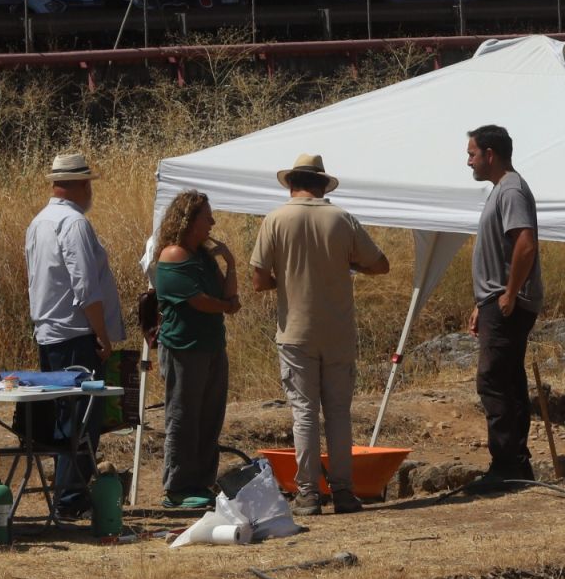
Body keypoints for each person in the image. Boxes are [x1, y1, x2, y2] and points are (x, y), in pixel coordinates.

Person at [251, 153, 389, 516]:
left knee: (305, 413)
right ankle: (343, 491)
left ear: (292, 185)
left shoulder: (276, 219)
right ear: (322, 185)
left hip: (296, 331)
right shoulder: (342, 219)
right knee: (339, 413)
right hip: (338, 331)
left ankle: (308, 494)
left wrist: (287, 280)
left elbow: (258, 279)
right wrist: (350, 265)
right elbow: (381, 265)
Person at [24, 151, 124, 521]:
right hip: (76, 334)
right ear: (82, 185)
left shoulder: (39, 222)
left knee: (67, 417)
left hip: (51, 333)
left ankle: (69, 495)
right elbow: (86, 286)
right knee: (82, 420)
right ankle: (70, 499)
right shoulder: (74, 223)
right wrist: (101, 334)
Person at [464, 124, 542, 495]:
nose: (469, 162)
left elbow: (525, 243)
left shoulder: (510, 189)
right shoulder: (503, 189)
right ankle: (517, 464)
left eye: (472, 154)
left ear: (490, 154)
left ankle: (506, 466)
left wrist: (509, 293)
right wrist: (484, 304)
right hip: (496, 301)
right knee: (508, 379)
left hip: (507, 301)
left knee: (494, 379)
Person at [154, 190, 241, 511]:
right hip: (183, 348)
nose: (212, 223)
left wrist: (231, 263)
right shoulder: (173, 255)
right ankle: (177, 487)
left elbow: (226, 294)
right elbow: (199, 301)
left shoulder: (203, 256)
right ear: (189, 220)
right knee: (184, 416)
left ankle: (201, 481)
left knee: (210, 416)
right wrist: (226, 306)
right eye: (207, 217)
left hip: (212, 345)